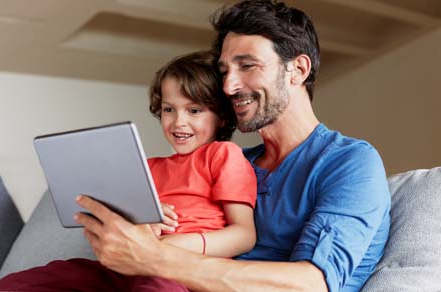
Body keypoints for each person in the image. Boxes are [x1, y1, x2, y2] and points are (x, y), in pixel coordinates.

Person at [73, 1, 392, 292]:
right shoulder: (232, 162)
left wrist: (155, 257)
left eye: (247, 66)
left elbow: (311, 284)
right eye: (225, 71)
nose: (228, 86)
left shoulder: (348, 162)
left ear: (298, 69)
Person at [0, 51, 258, 291]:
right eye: (169, 109)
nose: (179, 121)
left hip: (180, 269)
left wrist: (174, 247)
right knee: (16, 284)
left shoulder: (223, 155)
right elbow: (125, 232)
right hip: (126, 267)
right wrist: (144, 225)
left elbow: (244, 235)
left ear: (222, 116)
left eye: (194, 110)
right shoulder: (148, 167)